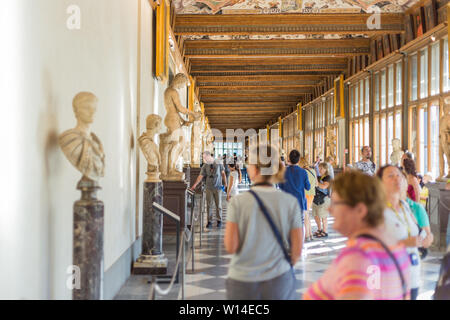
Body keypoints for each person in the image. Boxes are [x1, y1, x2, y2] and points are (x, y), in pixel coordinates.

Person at [304, 171, 411, 300]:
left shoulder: (359, 255)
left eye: (336, 203)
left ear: (360, 210)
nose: (329, 209)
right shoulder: (394, 245)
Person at [224, 144, 302, 300]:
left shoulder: (238, 202)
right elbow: (297, 249)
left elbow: (231, 246)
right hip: (278, 277)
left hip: (243, 278)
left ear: (254, 169)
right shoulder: (290, 202)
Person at [377, 165, 422, 300]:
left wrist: (423, 238)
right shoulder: (377, 211)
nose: (396, 179)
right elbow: (370, 247)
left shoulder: (405, 206)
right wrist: (403, 243)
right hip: (390, 279)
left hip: (412, 276)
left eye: (398, 175)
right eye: (390, 176)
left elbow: (414, 232)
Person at [191, 151, 227, 229]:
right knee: (209, 205)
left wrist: (225, 184)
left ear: (208, 156)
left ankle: (219, 220)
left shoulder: (218, 163)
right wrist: (194, 185)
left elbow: (223, 174)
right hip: (208, 188)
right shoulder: (205, 166)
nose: (204, 159)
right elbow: (200, 176)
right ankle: (209, 221)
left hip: (218, 187)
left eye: (204, 157)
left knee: (219, 205)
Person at [279, 150, 311, 226]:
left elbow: (280, 186)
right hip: (299, 202)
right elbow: (308, 187)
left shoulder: (284, 171)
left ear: (289, 159)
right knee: (300, 225)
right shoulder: (303, 172)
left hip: (287, 202)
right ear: (299, 160)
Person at [312, 163, 332, 238]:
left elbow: (324, 186)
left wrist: (316, 183)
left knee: (324, 216)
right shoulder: (319, 177)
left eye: (321, 168)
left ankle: (325, 231)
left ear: (326, 169)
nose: (319, 170)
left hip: (324, 199)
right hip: (316, 198)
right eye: (319, 168)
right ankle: (319, 229)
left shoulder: (328, 177)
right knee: (316, 215)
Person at [300, 157, 317, 242]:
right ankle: (310, 234)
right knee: (307, 215)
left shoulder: (303, 172)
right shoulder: (313, 171)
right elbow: (316, 184)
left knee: (305, 215)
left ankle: (307, 235)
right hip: (312, 194)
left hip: (305, 194)